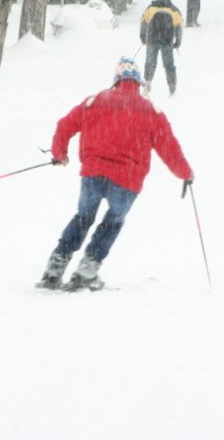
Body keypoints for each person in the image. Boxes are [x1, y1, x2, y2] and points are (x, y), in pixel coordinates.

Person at [38, 57, 194, 291]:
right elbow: (168, 147)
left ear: (117, 80)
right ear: (138, 81)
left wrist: (60, 154)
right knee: (113, 222)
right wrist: (186, 173)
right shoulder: (151, 110)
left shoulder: (96, 101)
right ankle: (87, 270)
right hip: (127, 179)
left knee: (83, 217)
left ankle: (55, 267)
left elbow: (64, 125)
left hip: (93, 173)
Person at [139, 0, 184, 95]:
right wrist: (178, 41)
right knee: (169, 64)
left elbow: (143, 23)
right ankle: (172, 83)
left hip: (152, 40)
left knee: (150, 62)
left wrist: (142, 36)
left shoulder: (151, 8)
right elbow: (179, 28)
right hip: (167, 41)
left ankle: (147, 82)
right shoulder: (174, 11)